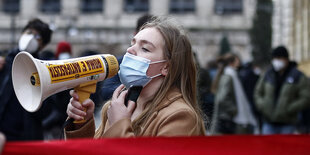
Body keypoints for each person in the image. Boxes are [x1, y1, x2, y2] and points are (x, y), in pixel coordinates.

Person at [64, 16, 206, 138]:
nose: (129, 50)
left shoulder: (180, 116)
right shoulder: (119, 105)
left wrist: (119, 124)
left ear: (166, 67)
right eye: (132, 44)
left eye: (144, 48)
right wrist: (82, 124)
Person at [0, 18, 52, 141]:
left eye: (37, 36)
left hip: (26, 138)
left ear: (42, 45)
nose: (31, 38)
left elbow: (46, 111)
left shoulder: (44, 70)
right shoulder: (5, 63)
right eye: (29, 33)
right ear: (22, 33)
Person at [254, 46, 310, 134]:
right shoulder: (268, 74)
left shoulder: (297, 76)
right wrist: (263, 105)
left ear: (286, 59)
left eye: (279, 58)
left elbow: (306, 97)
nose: (276, 61)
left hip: (288, 123)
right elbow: (257, 93)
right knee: (267, 147)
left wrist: (290, 108)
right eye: (274, 58)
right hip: (269, 122)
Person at [210, 53, 258, 135]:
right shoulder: (229, 76)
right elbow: (222, 98)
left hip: (229, 119)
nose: (239, 62)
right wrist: (234, 110)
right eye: (237, 60)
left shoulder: (231, 74)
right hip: (230, 120)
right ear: (231, 63)